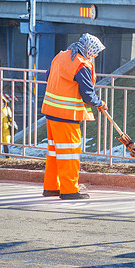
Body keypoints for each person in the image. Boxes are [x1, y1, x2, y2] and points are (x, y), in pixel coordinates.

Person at [41, 33, 107, 200]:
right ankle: (69, 190)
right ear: (89, 49)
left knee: (55, 153)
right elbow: (87, 94)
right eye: (95, 51)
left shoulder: (61, 56)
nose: (96, 55)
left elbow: (47, 76)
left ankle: (51, 187)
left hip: (51, 112)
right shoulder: (81, 65)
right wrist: (100, 103)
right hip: (67, 115)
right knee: (69, 154)